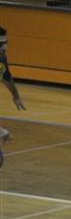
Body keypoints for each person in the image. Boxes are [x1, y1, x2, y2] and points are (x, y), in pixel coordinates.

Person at [0, 26, 27, 169]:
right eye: (0, 44)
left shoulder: (1, 58)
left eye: (6, 43)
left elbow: (6, 76)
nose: (4, 47)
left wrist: (16, 96)